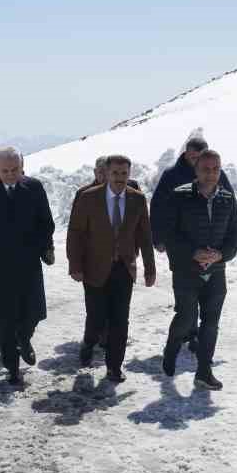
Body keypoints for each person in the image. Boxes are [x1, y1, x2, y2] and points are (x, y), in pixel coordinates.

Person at [66, 155, 156, 383]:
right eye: (115, 173)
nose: (119, 178)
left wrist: (149, 268)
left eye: (124, 173)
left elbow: (145, 236)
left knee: (120, 319)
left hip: (123, 268)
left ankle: (114, 366)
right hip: (94, 268)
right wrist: (75, 265)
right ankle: (89, 341)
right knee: (97, 317)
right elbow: (75, 233)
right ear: (106, 174)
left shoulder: (137, 199)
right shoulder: (88, 198)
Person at [0, 146, 55, 385]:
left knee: (32, 314)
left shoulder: (34, 188)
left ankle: (25, 338)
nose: (9, 174)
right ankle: (12, 367)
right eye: (4, 170)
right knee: (4, 319)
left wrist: (39, 247)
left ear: (22, 166)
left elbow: (46, 223)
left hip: (28, 264)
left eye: (14, 170)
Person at [160, 149, 237, 390]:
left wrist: (220, 255)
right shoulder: (179, 196)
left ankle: (204, 372)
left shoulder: (227, 198)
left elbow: (234, 236)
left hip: (216, 272)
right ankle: (172, 347)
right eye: (206, 169)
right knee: (186, 318)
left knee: (211, 323)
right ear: (196, 170)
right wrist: (193, 253)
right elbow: (169, 234)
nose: (211, 173)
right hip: (187, 270)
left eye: (216, 168)